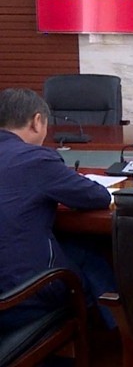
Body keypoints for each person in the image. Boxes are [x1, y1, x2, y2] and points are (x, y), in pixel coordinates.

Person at [0, 88, 115, 333]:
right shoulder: (35, 159)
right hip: (17, 300)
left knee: (73, 246)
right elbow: (99, 197)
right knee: (89, 251)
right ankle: (118, 335)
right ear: (37, 121)